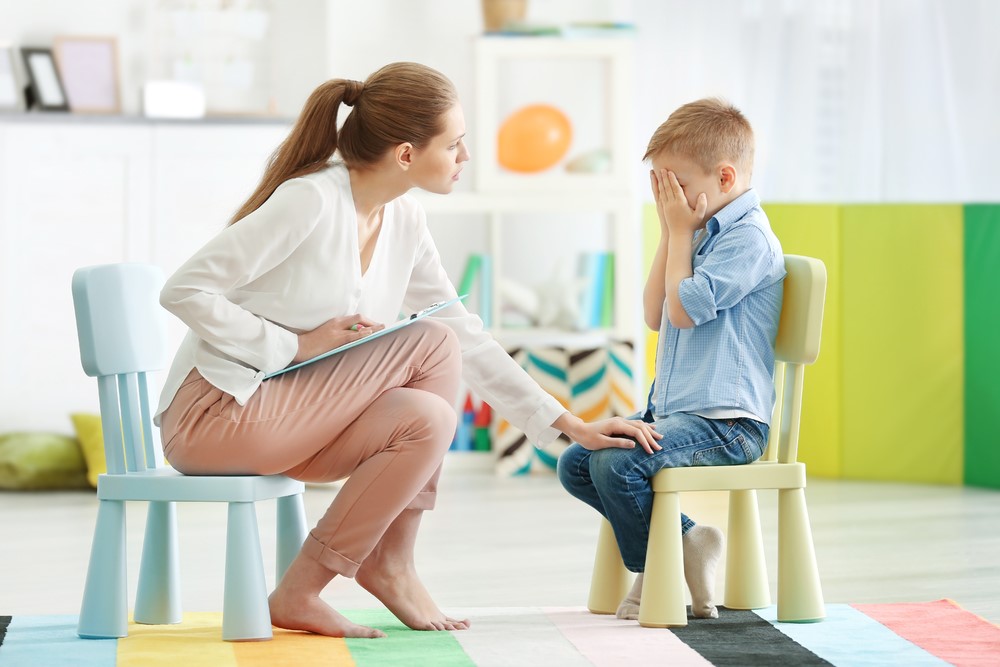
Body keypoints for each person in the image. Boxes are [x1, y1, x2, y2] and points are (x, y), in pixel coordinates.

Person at [153, 62, 661, 640]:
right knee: (433, 339)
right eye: (454, 144)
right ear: (405, 154)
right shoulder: (310, 201)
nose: (465, 157)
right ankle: (389, 564)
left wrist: (570, 423)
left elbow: (467, 336)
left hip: (294, 423)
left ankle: (318, 585)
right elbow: (184, 290)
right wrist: (295, 345)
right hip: (215, 417)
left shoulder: (404, 219)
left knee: (429, 417)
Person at [557, 97, 786, 621]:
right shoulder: (695, 232)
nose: (668, 199)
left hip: (730, 424)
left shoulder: (749, 239)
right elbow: (654, 314)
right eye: (659, 188)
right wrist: (670, 231)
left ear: (724, 177)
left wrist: (680, 232)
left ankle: (654, 574)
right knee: (578, 463)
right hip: (678, 414)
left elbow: (681, 313)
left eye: (675, 185)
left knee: (618, 464)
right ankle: (687, 543)